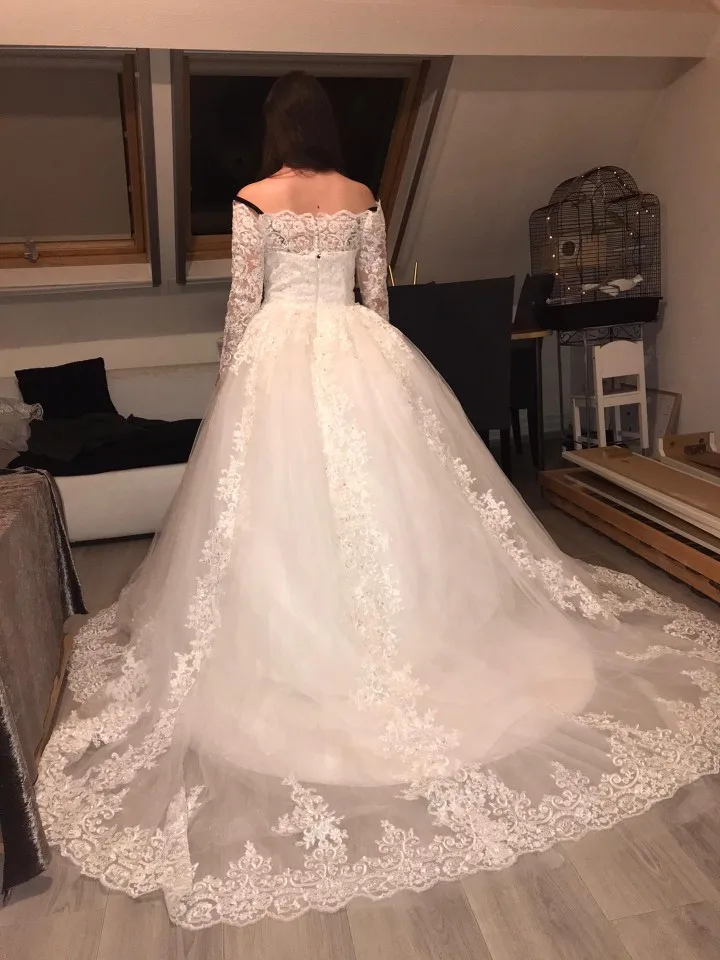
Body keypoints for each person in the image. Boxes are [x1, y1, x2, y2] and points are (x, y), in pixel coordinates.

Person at [37, 72, 720, 931]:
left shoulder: (254, 198)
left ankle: (301, 648)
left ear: (276, 129)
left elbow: (244, 305)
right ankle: (415, 633)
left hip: (281, 354)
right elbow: (378, 296)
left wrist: (229, 387)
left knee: (286, 516)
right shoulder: (364, 194)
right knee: (392, 504)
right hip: (357, 349)